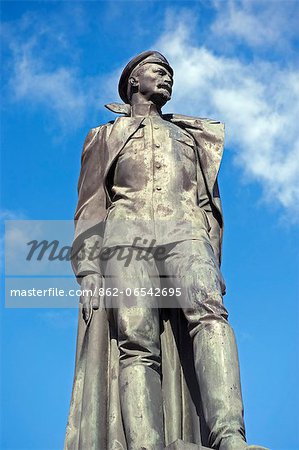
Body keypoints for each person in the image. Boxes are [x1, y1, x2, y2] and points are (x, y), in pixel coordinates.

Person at [65, 51, 267, 450]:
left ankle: (229, 436)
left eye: (170, 74)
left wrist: (210, 251)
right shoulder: (104, 136)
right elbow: (90, 205)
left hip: (186, 232)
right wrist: (88, 268)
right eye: (159, 71)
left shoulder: (191, 138)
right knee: (136, 340)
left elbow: (208, 204)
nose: (168, 78)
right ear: (133, 83)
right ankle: (146, 444)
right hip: (127, 236)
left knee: (211, 318)